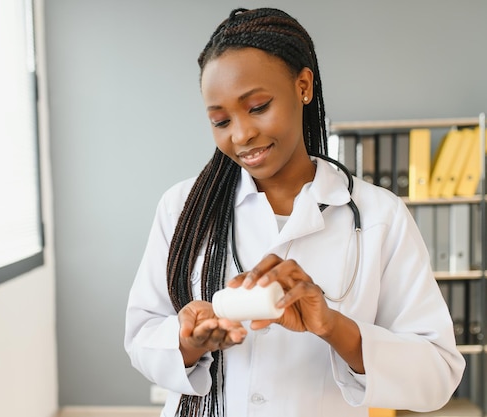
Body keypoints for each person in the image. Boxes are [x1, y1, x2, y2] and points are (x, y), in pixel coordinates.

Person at [124, 7, 465, 417]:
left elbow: (438, 375)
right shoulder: (183, 208)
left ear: (303, 85)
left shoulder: (379, 216)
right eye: (220, 120)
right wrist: (189, 342)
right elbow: (141, 338)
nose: (241, 134)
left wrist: (335, 328)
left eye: (258, 106)